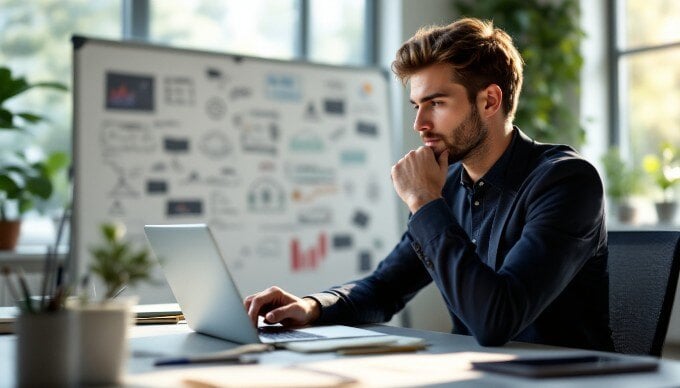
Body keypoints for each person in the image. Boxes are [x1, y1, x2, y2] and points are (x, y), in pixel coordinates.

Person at [244, 17, 614, 351]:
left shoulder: (566, 181)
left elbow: (495, 321)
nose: (419, 124)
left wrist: (423, 201)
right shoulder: (450, 185)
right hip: (481, 375)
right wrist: (310, 306)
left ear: (489, 100)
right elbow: (384, 287)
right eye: (416, 105)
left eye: (435, 103)